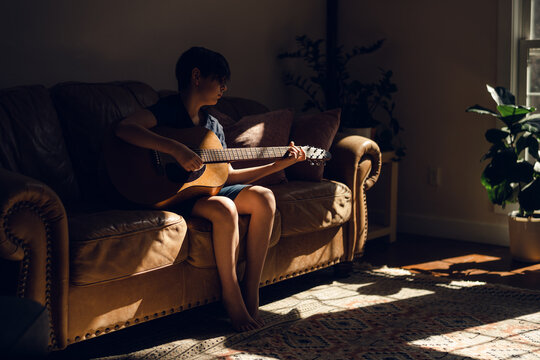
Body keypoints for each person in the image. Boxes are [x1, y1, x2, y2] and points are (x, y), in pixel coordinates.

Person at [114, 47, 306, 331]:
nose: (225, 88)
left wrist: (277, 166)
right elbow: (125, 129)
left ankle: (251, 290)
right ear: (196, 76)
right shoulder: (167, 109)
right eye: (221, 80)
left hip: (207, 191)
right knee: (225, 208)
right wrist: (175, 149)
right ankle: (231, 297)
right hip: (169, 193)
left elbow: (226, 176)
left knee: (265, 197)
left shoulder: (213, 125)